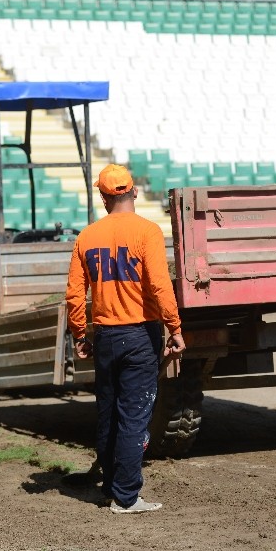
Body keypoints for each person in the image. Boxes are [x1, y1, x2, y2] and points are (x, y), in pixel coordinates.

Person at [65, 164, 185, 514]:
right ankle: (127, 497)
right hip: (139, 334)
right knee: (134, 417)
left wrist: (79, 334)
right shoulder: (147, 232)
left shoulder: (86, 236)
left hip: (104, 336)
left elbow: (74, 295)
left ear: (103, 197)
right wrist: (174, 328)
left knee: (109, 414)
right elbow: (161, 286)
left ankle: (110, 487)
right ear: (132, 192)